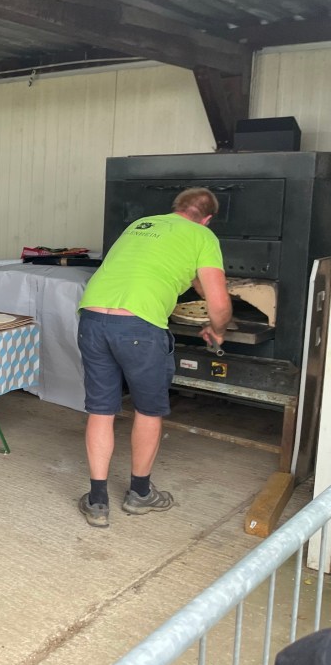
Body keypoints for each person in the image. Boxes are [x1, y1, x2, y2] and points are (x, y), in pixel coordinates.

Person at [76, 187, 231, 529]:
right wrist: (217, 329)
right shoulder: (203, 236)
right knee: (148, 411)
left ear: (176, 207)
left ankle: (97, 502)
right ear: (207, 219)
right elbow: (219, 303)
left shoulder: (142, 224)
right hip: (139, 325)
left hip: (92, 319)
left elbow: (174, 273)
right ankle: (140, 494)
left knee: (101, 410)